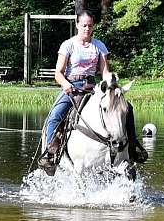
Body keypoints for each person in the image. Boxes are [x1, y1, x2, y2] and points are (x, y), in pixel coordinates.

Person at [38, 10, 146, 175]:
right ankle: (50, 153)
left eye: (90, 26)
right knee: (55, 115)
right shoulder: (68, 45)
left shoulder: (99, 46)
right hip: (72, 86)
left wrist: (111, 82)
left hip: (93, 87)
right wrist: (66, 84)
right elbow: (58, 73)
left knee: (127, 107)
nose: (87, 29)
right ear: (77, 25)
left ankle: (132, 146)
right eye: (84, 25)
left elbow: (104, 72)